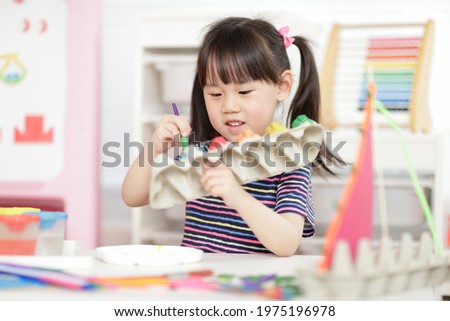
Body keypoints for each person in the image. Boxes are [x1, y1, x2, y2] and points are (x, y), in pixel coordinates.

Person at [122, 17, 338, 256]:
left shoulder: (290, 160)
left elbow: (287, 244)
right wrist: (154, 149)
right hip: (202, 281)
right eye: (215, 94)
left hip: (254, 288)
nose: (229, 106)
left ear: (282, 85)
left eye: (244, 91)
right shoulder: (201, 153)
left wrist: (237, 196)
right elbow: (133, 197)